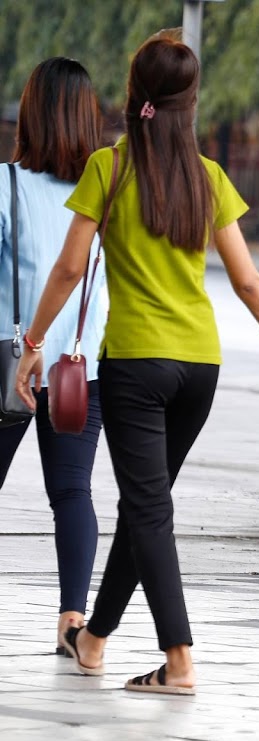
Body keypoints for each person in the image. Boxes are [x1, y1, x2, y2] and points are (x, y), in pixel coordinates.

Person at [15, 31, 259, 696]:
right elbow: (248, 282)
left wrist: (34, 341)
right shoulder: (208, 177)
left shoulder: (110, 168)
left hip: (136, 363)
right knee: (144, 507)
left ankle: (179, 659)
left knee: (148, 510)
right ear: (190, 103)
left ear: (134, 95)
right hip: (200, 366)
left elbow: (71, 267)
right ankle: (94, 639)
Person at [0, 58, 105, 656]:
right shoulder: (110, 194)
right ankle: (73, 621)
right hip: (80, 369)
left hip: (12, 363)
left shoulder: (7, 185)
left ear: (30, 115)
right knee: (73, 491)